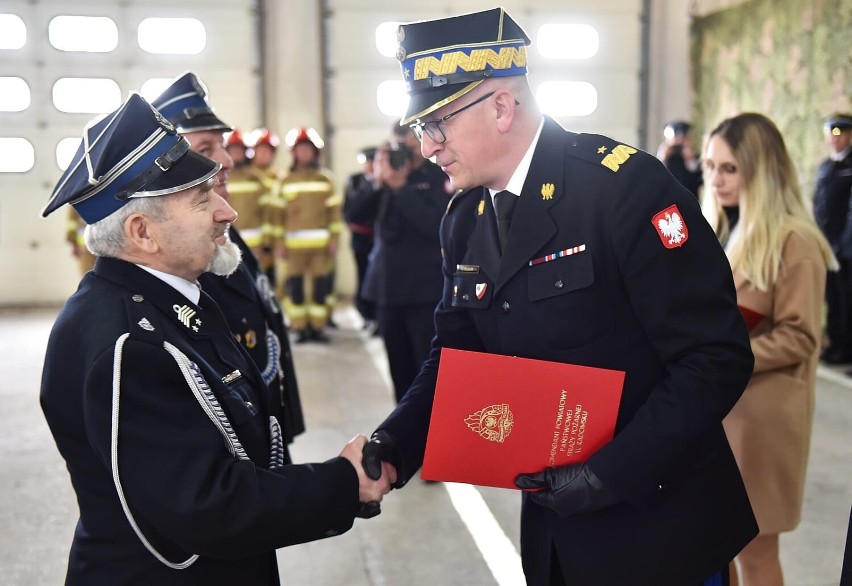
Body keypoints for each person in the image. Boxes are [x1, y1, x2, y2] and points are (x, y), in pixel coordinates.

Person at [361, 7, 757, 585]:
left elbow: (715, 358)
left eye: (438, 123)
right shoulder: (465, 218)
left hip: (659, 529)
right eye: (422, 128)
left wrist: (608, 474)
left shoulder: (623, 190)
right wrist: (395, 444)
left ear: (500, 106)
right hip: (556, 534)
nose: (427, 147)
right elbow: (456, 358)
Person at [38, 93, 390, 585]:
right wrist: (344, 482)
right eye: (202, 198)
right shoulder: (128, 343)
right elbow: (210, 506)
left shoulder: (173, 300)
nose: (228, 212)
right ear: (143, 232)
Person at [701, 113, 836, 586]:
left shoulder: (795, 241)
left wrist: (723, 359)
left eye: (730, 169)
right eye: (710, 166)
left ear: (762, 170)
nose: (715, 180)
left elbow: (802, 335)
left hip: (762, 423)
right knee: (720, 548)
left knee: (756, 553)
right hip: (718, 415)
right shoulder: (718, 231)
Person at [151, 71, 305, 445]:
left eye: (221, 145)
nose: (227, 160)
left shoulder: (223, 227)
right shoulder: (177, 252)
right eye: (206, 150)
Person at [347, 132, 451, 402]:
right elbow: (353, 215)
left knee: (427, 370)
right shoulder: (384, 178)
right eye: (400, 145)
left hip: (425, 292)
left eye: (412, 142)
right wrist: (377, 181)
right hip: (388, 290)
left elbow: (436, 226)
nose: (407, 151)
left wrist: (402, 188)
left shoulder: (438, 175)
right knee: (399, 369)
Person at [278, 127, 341, 343]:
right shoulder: (285, 181)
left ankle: (317, 328)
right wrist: (279, 243)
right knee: (295, 287)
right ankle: (300, 328)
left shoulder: (326, 179)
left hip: (321, 248)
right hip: (293, 248)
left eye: (308, 149)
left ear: (315, 153)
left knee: (320, 288)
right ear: (293, 153)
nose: (304, 153)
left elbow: (334, 214)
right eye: (300, 149)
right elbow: (278, 216)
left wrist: (334, 240)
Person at [812, 114, 852, 364]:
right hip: (828, 244)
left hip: (847, 246)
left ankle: (848, 349)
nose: (834, 138)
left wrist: (842, 243)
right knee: (833, 298)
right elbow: (819, 204)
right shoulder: (827, 166)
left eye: (839, 133)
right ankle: (837, 344)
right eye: (830, 133)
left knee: (848, 299)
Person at [342, 146, 378, 331]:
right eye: (367, 162)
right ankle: (366, 314)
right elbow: (350, 210)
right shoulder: (356, 180)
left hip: (378, 239)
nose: (370, 166)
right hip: (361, 238)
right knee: (363, 276)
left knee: (378, 279)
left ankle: (377, 317)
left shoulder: (385, 180)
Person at [657, 120, 703, 198]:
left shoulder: (694, 157)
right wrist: (663, 158)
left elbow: (701, 180)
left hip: (690, 200)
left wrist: (691, 161)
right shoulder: (661, 157)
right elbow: (655, 180)